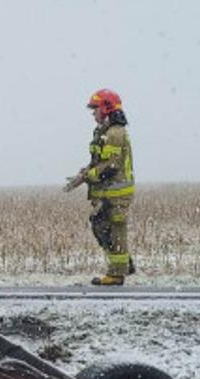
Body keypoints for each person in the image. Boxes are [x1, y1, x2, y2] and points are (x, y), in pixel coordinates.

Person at [63, 89, 134, 286]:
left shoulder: (115, 133)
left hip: (116, 193)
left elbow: (111, 165)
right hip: (107, 193)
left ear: (106, 108)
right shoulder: (104, 132)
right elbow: (99, 161)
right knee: (102, 228)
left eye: (95, 109)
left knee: (113, 231)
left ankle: (117, 274)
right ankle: (122, 267)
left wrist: (87, 176)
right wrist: (85, 172)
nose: (93, 113)